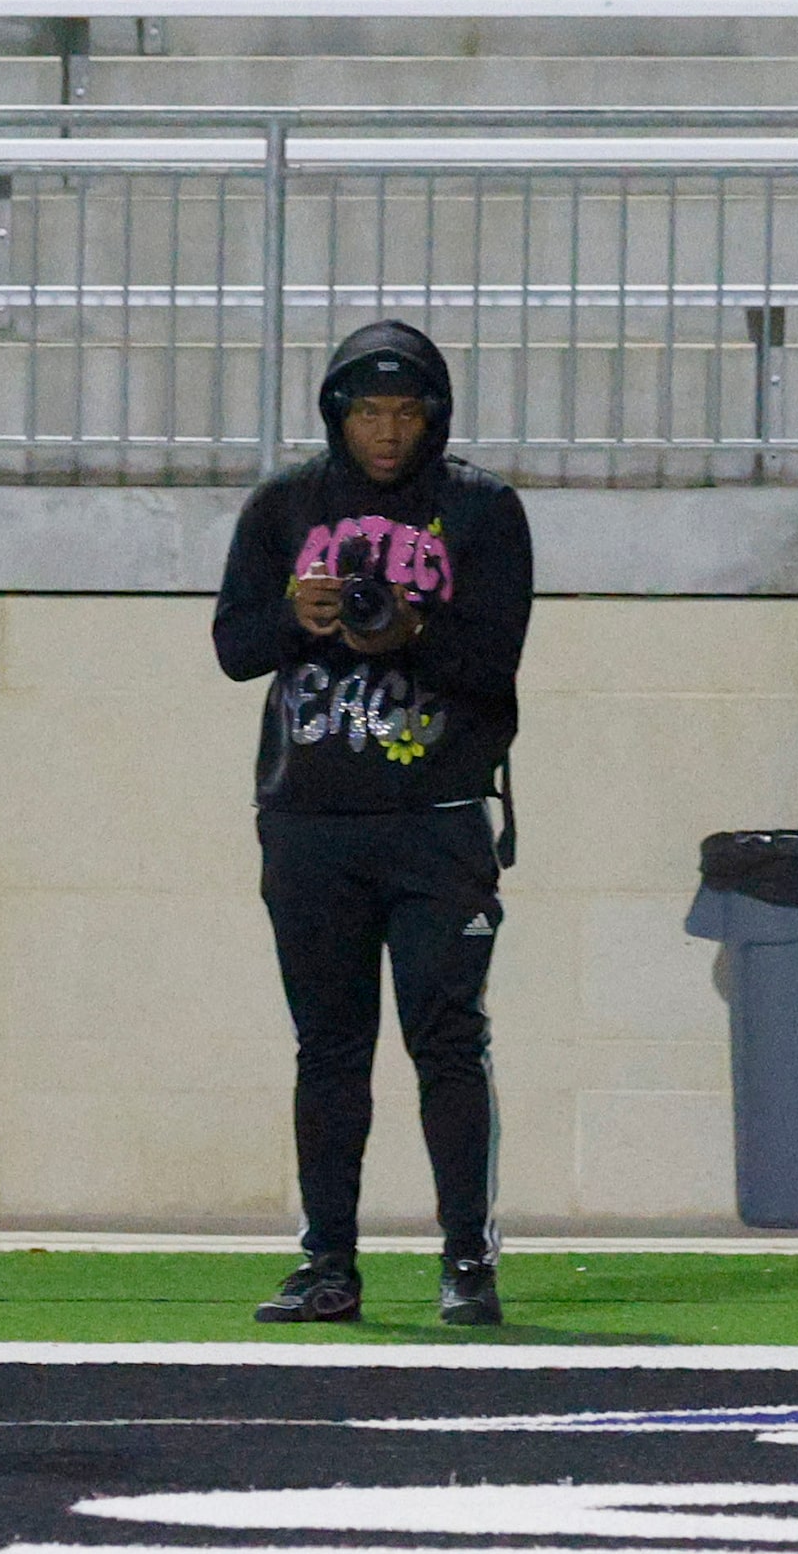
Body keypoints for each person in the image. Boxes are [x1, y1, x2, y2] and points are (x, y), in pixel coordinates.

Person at [212, 321, 532, 1327]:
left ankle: (467, 1262)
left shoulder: (481, 511)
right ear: (335, 415)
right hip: (310, 820)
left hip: (436, 820)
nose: (386, 431)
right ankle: (328, 1265)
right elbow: (230, 648)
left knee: (447, 1037)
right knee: (329, 1048)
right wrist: (295, 620)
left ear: (433, 416)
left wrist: (410, 630)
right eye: (366, 410)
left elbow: (493, 665)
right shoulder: (282, 505)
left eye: (405, 410)